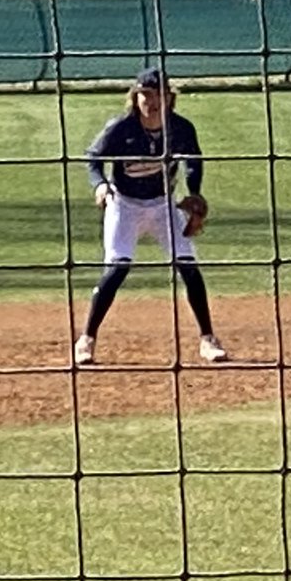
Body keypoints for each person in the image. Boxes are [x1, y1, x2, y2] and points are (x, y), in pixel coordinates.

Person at [73, 66, 228, 367]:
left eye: (158, 94)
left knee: (188, 266)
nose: (151, 101)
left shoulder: (180, 128)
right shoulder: (121, 128)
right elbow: (93, 158)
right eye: (145, 94)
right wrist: (101, 185)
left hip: (162, 205)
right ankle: (86, 340)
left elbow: (193, 160)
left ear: (170, 98)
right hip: (124, 204)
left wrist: (194, 193)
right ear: (135, 97)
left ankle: (208, 340)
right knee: (117, 269)